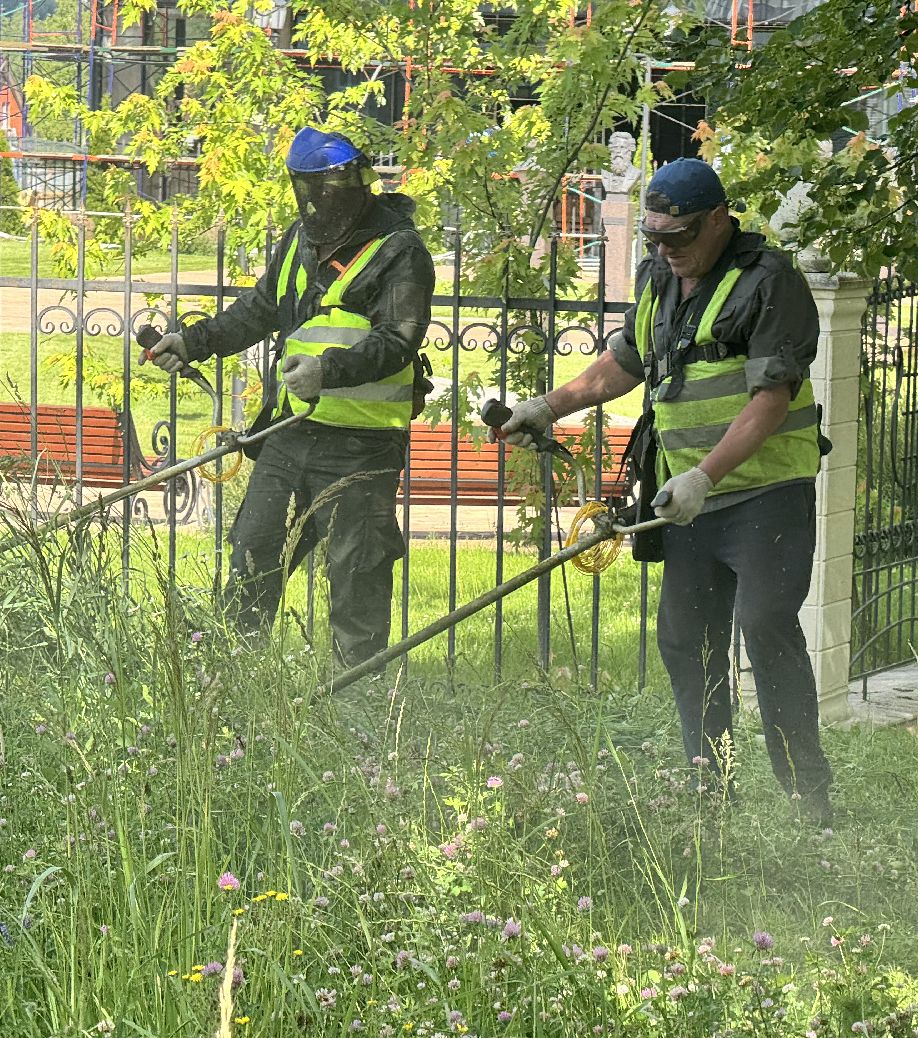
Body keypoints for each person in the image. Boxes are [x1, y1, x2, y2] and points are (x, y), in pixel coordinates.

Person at [497, 156, 834, 820]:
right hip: (685, 502)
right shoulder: (658, 278)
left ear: (717, 221)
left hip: (764, 493)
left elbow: (770, 400)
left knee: (764, 624)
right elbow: (626, 362)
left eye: (677, 238)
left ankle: (807, 795)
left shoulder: (770, 283)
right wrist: (548, 406)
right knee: (686, 640)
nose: (663, 250)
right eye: (653, 237)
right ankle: (709, 789)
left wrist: (706, 476)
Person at [148, 126, 435, 667]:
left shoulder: (400, 251)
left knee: (357, 579)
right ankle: (232, 686)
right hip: (288, 436)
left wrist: (328, 370)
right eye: (314, 189)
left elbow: (397, 341)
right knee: (253, 559)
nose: (322, 200)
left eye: (335, 186)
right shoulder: (301, 240)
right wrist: (193, 340)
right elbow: (258, 310)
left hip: (362, 448)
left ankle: (362, 704)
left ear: (357, 182)